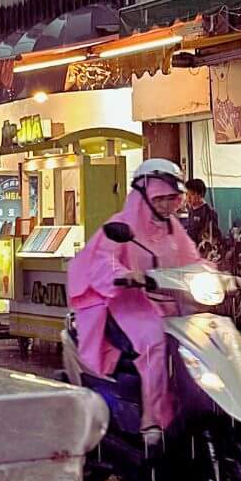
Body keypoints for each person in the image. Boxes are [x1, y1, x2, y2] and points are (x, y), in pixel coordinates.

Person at [68, 160, 198, 442]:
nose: (166, 205)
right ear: (143, 195)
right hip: (128, 303)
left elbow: (194, 261)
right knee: (153, 342)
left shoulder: (173, 229)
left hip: (170, 303)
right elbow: (102, 260)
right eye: (160, 198)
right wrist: (126, 274)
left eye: (171, 198)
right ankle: (152, 418)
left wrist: (224, 277)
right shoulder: (120, 225)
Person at [179, 177, 217, 252]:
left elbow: (212, 237)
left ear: (200, 194)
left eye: (192, 194)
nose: (188, 198)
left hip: (201, 251)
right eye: (187, 194)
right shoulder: (191, 209)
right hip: (190, 249)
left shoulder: (208, 212)